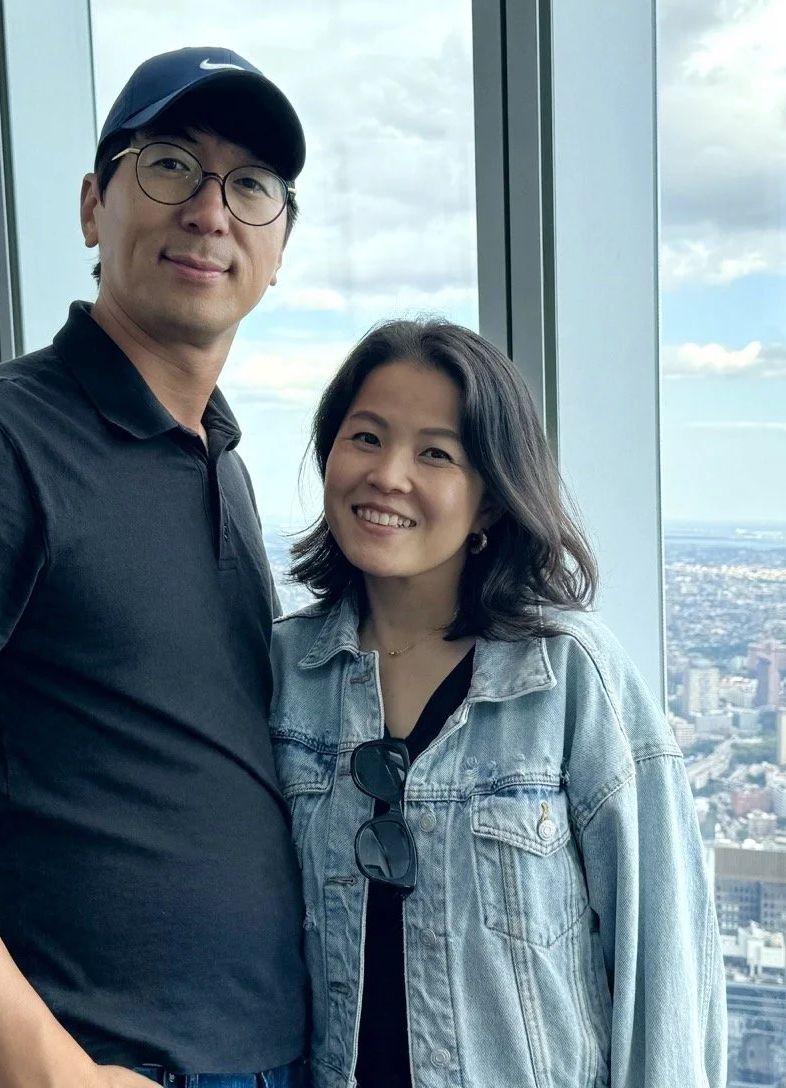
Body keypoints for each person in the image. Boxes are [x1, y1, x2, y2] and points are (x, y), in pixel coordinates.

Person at [0, 48, 310, 1088]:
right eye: (169, 164)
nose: (210, 210)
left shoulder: (222, 464)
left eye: (249, 185)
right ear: (94, 205)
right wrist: (55, 1074)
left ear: (278, 247)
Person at [269, 319, 727, 1088]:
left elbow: (663, 964)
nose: (388, 475)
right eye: (367, 438)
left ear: (489, 502)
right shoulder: (284, 668)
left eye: (436, 454)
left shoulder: (569, 678)